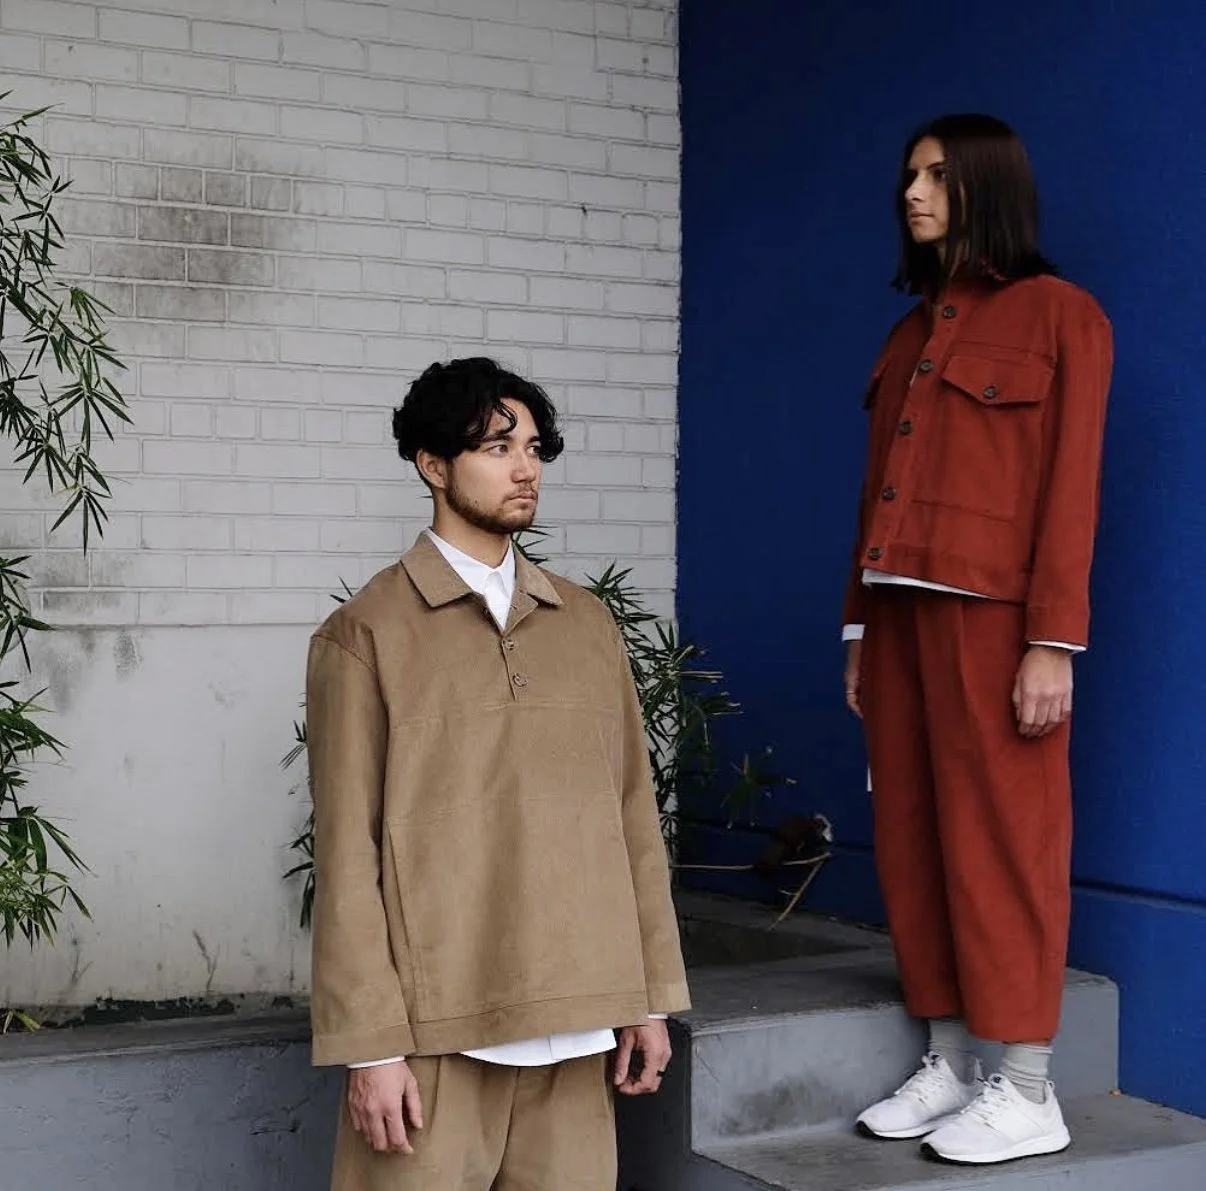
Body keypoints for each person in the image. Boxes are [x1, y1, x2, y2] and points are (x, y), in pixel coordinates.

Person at [305, 357, 690, 1190]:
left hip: (582, 1022)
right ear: (433, 465)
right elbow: (346, 852)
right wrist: (371, 1047)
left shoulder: (586, 626)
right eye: (496, 446)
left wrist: (649, 996)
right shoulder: (366, 633)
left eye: (534, 448)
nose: (525, 468)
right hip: (435, 1036)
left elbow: (631, 815)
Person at [841, 114, 1112, 1165]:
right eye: (908, 175)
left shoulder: (1062, 317)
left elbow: (1071, 491)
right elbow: (874, 497)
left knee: (1008, 841)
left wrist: (1054, 642)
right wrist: (858, 627)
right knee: (913, 838)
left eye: (938, 177)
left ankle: (1028, 1087)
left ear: (986, 186)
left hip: (997, 621)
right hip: (899, 620)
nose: (913, 193)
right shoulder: (907, 335)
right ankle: (951, 1062)